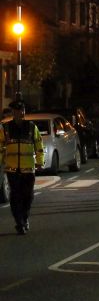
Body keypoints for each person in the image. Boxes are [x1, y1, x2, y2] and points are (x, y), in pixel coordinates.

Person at [0, 100, 44, 234]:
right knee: (15, 196)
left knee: (28, 196)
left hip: (28, 168)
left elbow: (39, 145)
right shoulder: (6, 128)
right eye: (18, 110)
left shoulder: (31, 127)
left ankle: (24, 218)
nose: (21, 113)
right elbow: (1, 146)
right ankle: (19, 222)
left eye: (22, 110)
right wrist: (1, 161)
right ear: (13, 112)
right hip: (12, 168)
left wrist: (40, 162)